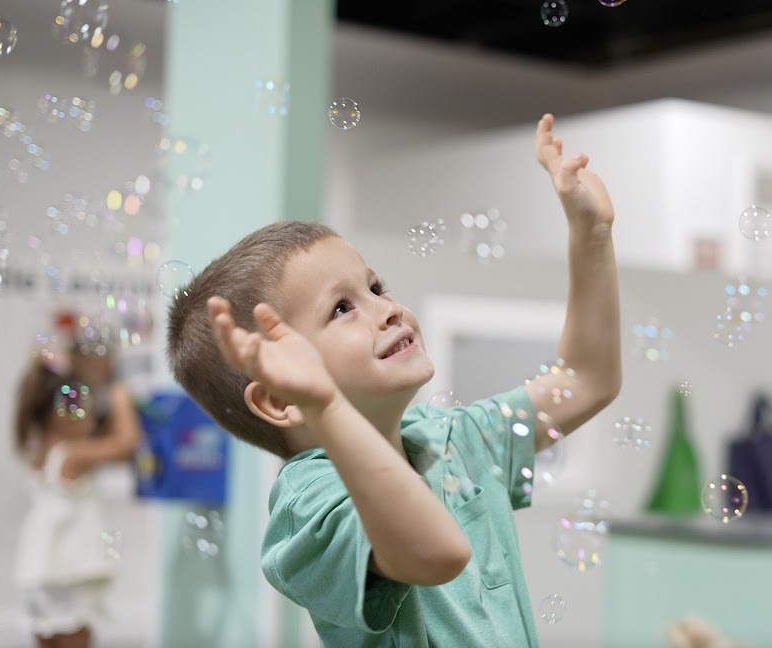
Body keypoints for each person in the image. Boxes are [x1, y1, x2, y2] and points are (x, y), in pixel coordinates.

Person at [166, 113, 622, 646]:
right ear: (279, 398)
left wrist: (591, 233)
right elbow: (436, 553)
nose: (387, 310)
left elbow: (586, 379)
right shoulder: (310, 504)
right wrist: (325, 405)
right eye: (340, 309)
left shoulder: (449, 441)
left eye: (376, 287)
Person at [12, 360, 141, 648]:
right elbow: (126, 443)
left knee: (47, 638)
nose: (93, 416)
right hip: (67, 572)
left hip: (40, 571)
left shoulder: (42, 453)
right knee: (76, 637)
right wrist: (120, 394)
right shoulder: (71, 455)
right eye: (84, 407)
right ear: (60, 416)